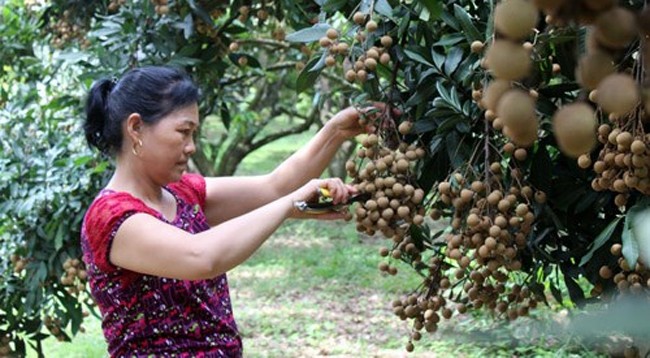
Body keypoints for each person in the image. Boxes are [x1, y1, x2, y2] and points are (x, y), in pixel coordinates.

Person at [81, 66, 378, 357]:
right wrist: (289, 206)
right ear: (135, 128)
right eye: (183, 132)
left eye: (193, 134)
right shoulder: (111, 217)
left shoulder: (182, 193)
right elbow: (202, 257)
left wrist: (336, 131)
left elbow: (275, 187)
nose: (191, 147)